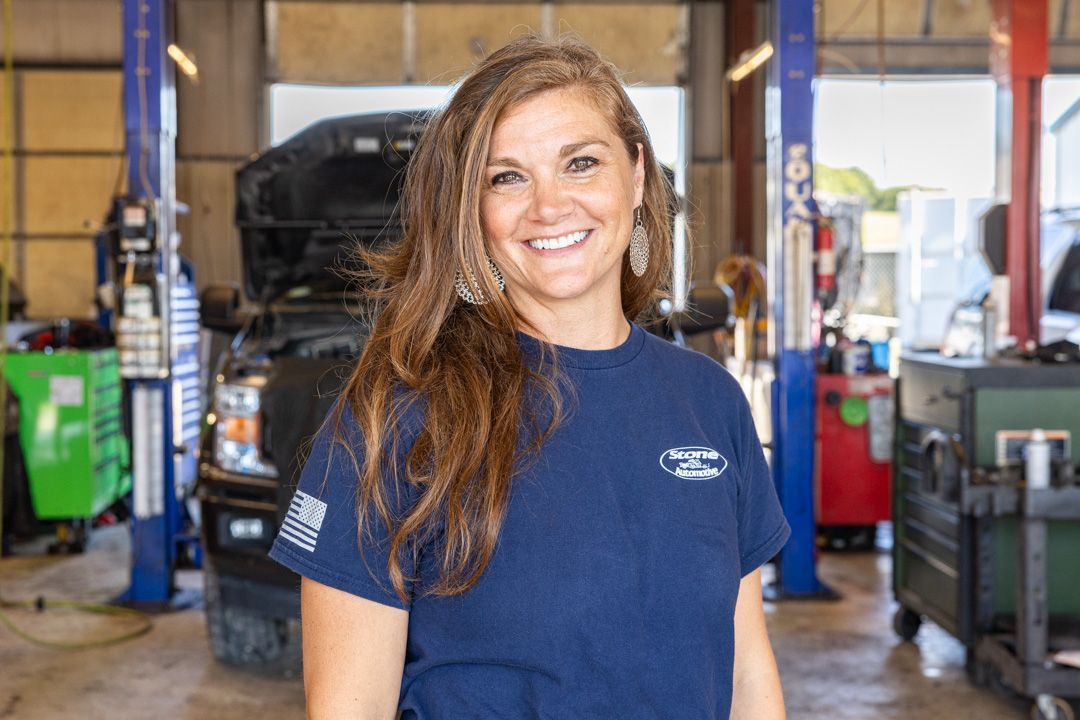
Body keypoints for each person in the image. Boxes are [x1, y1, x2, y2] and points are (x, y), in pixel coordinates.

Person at [269, 34, 790, 719]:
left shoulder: (708, 400)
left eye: (580, 163)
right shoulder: (397, 414)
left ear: (636, 176)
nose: (548, 207)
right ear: (471, 214)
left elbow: (748, 674)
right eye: (505, 177)